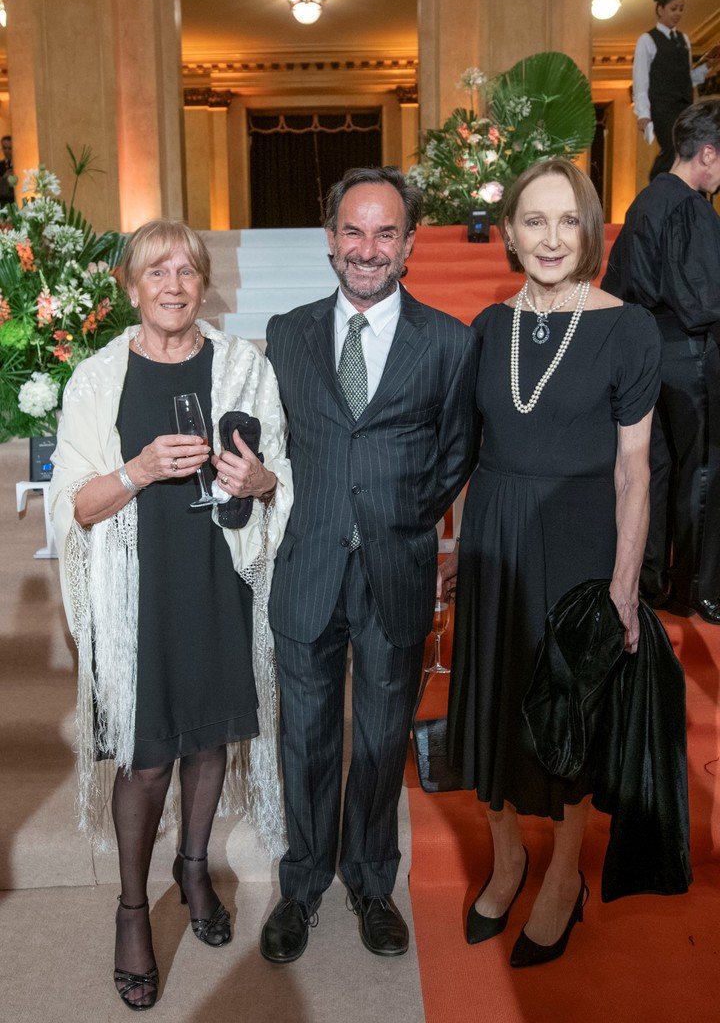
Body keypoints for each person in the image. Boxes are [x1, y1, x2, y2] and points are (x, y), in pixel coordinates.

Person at [49, 220, 292, 1010]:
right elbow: (76, 505)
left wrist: (256, 482)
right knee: (147, 757)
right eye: (158, 272)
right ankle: (131, 907)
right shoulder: (95, 380)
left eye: (188, 270)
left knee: (212, 734)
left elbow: (275, 473)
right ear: (131, 287)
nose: (175, 285)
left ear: (203, 285)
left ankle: (193, 863)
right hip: (139, 589)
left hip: (218, 578)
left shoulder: (242, 368)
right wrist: (140, 468)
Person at [443, 159, 661, 967]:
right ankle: (508, 861)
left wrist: (625, 587)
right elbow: (473, 453)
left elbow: (635, 470)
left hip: (581, 545)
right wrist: (456, 548)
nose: (550, 237)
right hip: (496, 538)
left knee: (566, 721)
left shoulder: (626, 327)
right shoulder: (488, 329)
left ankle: (564, 879)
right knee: (497, 705)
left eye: (568, 221)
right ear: (508, 234)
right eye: (534, 220)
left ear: (592, 231)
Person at [260, 166, 479, 963]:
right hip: (308, 566)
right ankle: (304, 883)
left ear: (411, 244)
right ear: (329, 239)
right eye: (353, 231)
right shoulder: (284, 333)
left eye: (386, 233)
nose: (368, 248)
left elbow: (458, 450)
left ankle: (370, 880)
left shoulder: (450, 343)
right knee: (307, 738)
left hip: (397, 569)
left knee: (384, 739)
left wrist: (403, 516)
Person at [602, 100, 720, 623]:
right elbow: (705, 300)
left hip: (649, 356)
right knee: (701, 473)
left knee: (658, 469)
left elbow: (618, 288)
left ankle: (650, 580)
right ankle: (692, 587)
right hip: (692, 355)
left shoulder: (643, 202)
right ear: (708, 154)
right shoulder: (693, 207)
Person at [633, 0, 720, 180]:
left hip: (684, 106)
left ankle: (676, 187)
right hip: (662, 106)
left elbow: (686, 77)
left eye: (681, 9)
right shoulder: (647, 40)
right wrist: (643, 113)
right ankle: (657, 180)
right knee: (674, 146)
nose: (678, 13)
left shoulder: (684, 40)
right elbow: (640, 79)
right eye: (674, 8)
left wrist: (708, 66)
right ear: (660, 9)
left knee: (689, 148)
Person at [0, 134, 15, 205]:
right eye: (4, 148)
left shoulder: (19, 165)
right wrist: (4, 178)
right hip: (3, 202)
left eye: (9, 148)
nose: (7, 151)